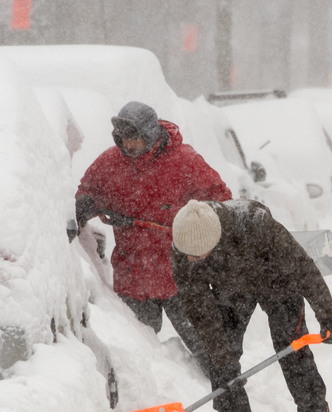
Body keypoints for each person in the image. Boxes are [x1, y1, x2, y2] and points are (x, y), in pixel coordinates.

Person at [170, 199, 332, 412]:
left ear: (214, 243)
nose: (190, 261)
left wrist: (327, 314)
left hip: (277, 282)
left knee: (294, 354)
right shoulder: (184, 248)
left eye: (197, 256)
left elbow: (303, 268)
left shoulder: (257, 224)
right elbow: (200, 309)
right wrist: (222, 357)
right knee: (222, 367)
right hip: (232, 291)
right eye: (187, 256)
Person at [75, 101, 232, 366]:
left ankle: (225, 385)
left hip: (180, 274)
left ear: (150, 134)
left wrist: (197, 223)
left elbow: (220, 201)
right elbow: (87, 191)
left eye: (134, 139)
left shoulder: (184, 161)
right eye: (123, 140)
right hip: (133, 276)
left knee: (208, 349)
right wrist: (86, 203)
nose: (128, 146)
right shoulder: (110, 162)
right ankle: (155, 399)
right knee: (139, 356)